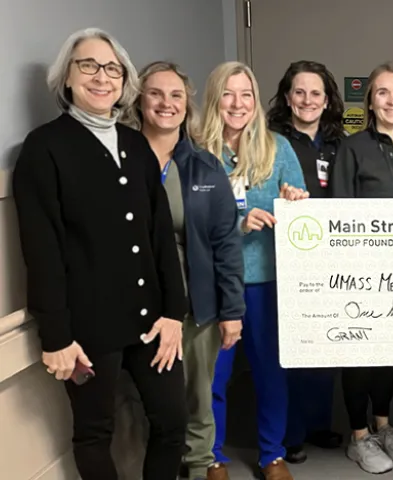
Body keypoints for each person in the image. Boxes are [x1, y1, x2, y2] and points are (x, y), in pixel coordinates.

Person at [12, 28, 188, 480]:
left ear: (123, 80)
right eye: (87, 65)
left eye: (112, 68)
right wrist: (55, 336)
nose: (102, 76)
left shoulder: (135, 147)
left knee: (171, 423)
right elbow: (42, 248)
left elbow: (160, 237)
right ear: (67, 78)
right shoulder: (44, 148)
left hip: (152, 320)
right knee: (94, 431)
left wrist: (174, 312)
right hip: (87, 328)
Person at [129, 61, 245, 480]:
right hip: (134, 306)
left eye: (176, 95)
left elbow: (226, 243)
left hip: (195, 307)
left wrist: (232, 310)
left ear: (188, 103)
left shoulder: (204, 167)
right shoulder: (119, 160)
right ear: (139, 100)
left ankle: (198, 467)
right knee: (145, 404)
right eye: (156, 94)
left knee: (197, 398)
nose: (166, 103)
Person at [202, 61, 308, 480]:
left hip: (267, 279)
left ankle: (272, 454)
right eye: (228, 94)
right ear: (215, 99)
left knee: (270, 370)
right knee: (215, 375)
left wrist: (294, 197)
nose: (238, 103)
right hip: (215, 282)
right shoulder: (196, 153)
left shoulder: (277, 148)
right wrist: (236, 225)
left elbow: (302, 210)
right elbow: (188, 221)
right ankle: (211, 456)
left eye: (246, 94)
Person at [331, 61, 393, 475]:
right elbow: (339, 215)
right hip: (361, 272)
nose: (392, 100)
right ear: (370, 101)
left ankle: (383, 426)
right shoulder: (353, 148)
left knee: (387, 354)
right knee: (359, 354)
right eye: (382, 92)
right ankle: (358, 437)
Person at [266, 60, 345, 463]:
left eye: (316, 93)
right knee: (293, 348)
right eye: (299, 92)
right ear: (286, 97)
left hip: (331, 259)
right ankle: (291, 433)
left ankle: (318, 424)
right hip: (286, 258)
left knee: (324, 344)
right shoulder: (270, 141)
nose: (308, 100)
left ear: (327, 99)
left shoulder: (339, 142)